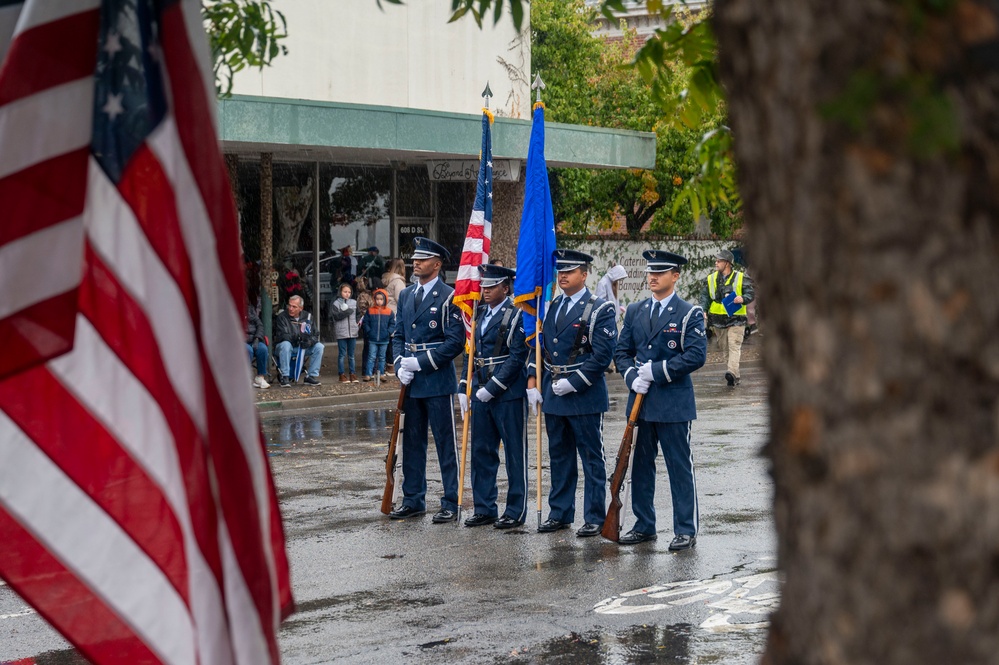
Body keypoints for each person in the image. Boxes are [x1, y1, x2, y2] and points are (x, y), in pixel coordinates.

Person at [615, 250, 707, 550]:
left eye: (660, 272)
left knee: (678, 466)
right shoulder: (635, 311)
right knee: (640, 466)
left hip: (673, 402)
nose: (652, 277)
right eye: (650, 271)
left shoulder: (688, 313)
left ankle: (685, 529)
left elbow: (695, 355)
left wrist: (657, 371)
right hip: (640, 402)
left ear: (675, 276)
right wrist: (632, 377)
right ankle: (644, 525)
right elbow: (622, 352)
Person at [527, 249, 617, 537]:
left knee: (591, 457)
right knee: (560, 456)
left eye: (570, 270)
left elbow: (602, 356)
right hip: (554, 392)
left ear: (584, 274)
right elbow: (539, 345)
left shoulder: (600, 309)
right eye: (560, 271)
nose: (563, 275)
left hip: (584, 394)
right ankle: (560, 512)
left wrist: (574, 382)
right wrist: (533, 380)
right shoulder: (552, 306)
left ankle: (594, 515)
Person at [388, 237, 465, 523]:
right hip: (411, 382)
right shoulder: (407, 295)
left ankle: (451, 501)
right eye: (414, 258)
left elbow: (455, 342)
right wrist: (398, 365)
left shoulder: (449, 296)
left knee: (446, 443)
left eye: (423, 259)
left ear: (437, 264)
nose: (415, 262)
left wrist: (419, 362)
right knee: (412, 443)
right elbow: (398, 334)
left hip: (437, 379)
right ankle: (413, 499)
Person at [457, 264, 529, 529]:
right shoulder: (478, 314)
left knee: (514, 453)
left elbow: (517, 357)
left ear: (505, 288)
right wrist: (464, 384)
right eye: (483, 286)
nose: (485, 291)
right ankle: (484, 507)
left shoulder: (518, 315)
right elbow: (470, 351)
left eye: (491, 286)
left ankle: (515, 510)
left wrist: (494, 387)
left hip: (508, 393)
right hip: (480, 390)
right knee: (482, 452)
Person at [699, 249, 755, 386]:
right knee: (725, 348)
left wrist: (743, 298)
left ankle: (731, 372)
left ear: (728, 263)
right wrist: (703, 310)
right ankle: (735, 375)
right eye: (716, 260)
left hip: (736, 319)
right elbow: (705, 297)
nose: (716, 263)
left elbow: (751, 293)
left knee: (734, 345)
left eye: (719, 261)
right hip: (718, 320)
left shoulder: (741, 277)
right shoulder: (711, 279)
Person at [274, 295, 324, 386]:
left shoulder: (308, 316)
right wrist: (300, 338)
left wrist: (309, 342)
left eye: (294, 307)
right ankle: (285, 376)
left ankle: (311, 376)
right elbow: (284, 335)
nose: (290, 308)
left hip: (302, 347)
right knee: (286, 344)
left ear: (301, 308)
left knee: (319, 347)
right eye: (289, 305)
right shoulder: (282, 317)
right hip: (285, 347)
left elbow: (315, 334)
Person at [362, 288, 394, 381]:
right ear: (374, 299)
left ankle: (381, 374)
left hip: (384, 339)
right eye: (377, 299)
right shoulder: (370, 310)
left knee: (382, 357)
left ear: (385, 300)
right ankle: (368, 374)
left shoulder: (389, 312)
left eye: (381, 299)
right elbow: (365, 322)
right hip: (373, 338)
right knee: (371, 357)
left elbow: (392, 324)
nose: (379, 301)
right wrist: (369, 332)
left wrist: (388, 332)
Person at [331, 282, 360, 383]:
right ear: (340, 292)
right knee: (342, 354)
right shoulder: (336, 303)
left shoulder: (354, 302)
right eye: (345, 291)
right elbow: (336, 316)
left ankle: (353, 373)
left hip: (352, 331)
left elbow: (358, 314)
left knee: (351, 355)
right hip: (341, 332)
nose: (347, 293)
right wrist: (346, 312)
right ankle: (341, 374)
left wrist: (357, 324)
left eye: (349, 292)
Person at [246, 302, 270, 389]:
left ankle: (260, 377)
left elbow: (259, 325)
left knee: (263, 349)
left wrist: (257, 338)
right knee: (248, 350)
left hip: (253, 338)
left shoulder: (249, 308)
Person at [355, 276, 374, 376]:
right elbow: (363, 310)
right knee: (368, 346)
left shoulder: (367, 295)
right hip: (367, 322)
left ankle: (368, 368)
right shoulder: (363, 296)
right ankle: (366, 369)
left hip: (369, 321)